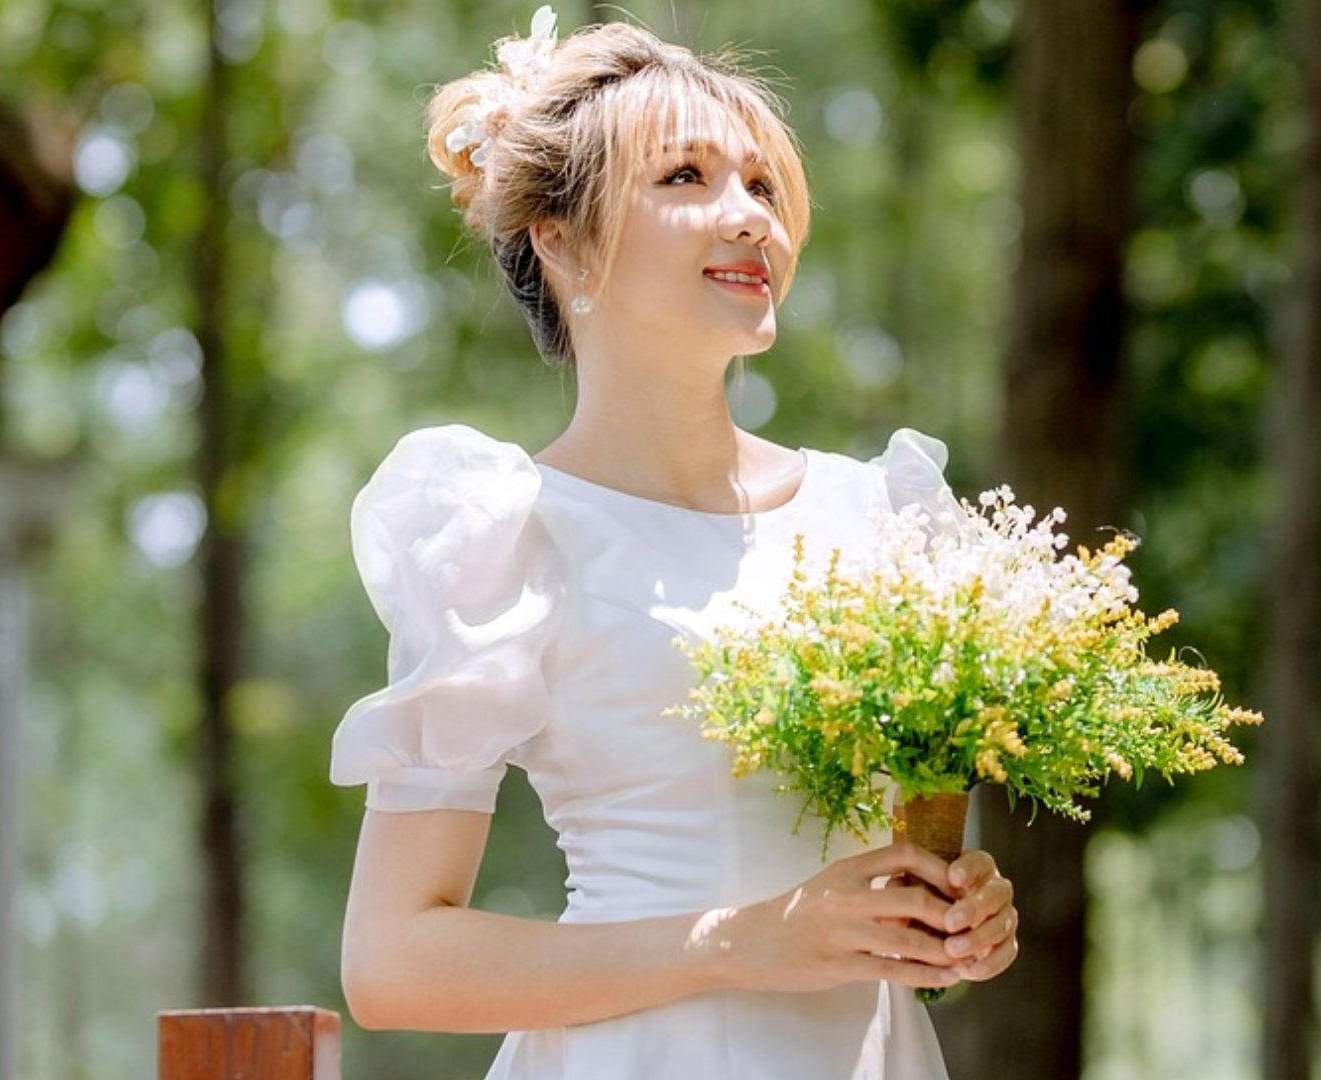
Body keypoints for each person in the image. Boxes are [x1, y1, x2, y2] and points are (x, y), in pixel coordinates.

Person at [330, 9, 1019, 1078]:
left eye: (761, 185)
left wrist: (950, 914)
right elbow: (392, 964)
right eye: (685, 178)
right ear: (560, 240)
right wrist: (742, 942)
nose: (748, 216)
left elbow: (879, 861)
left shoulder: (876, 518)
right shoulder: (504, 537)